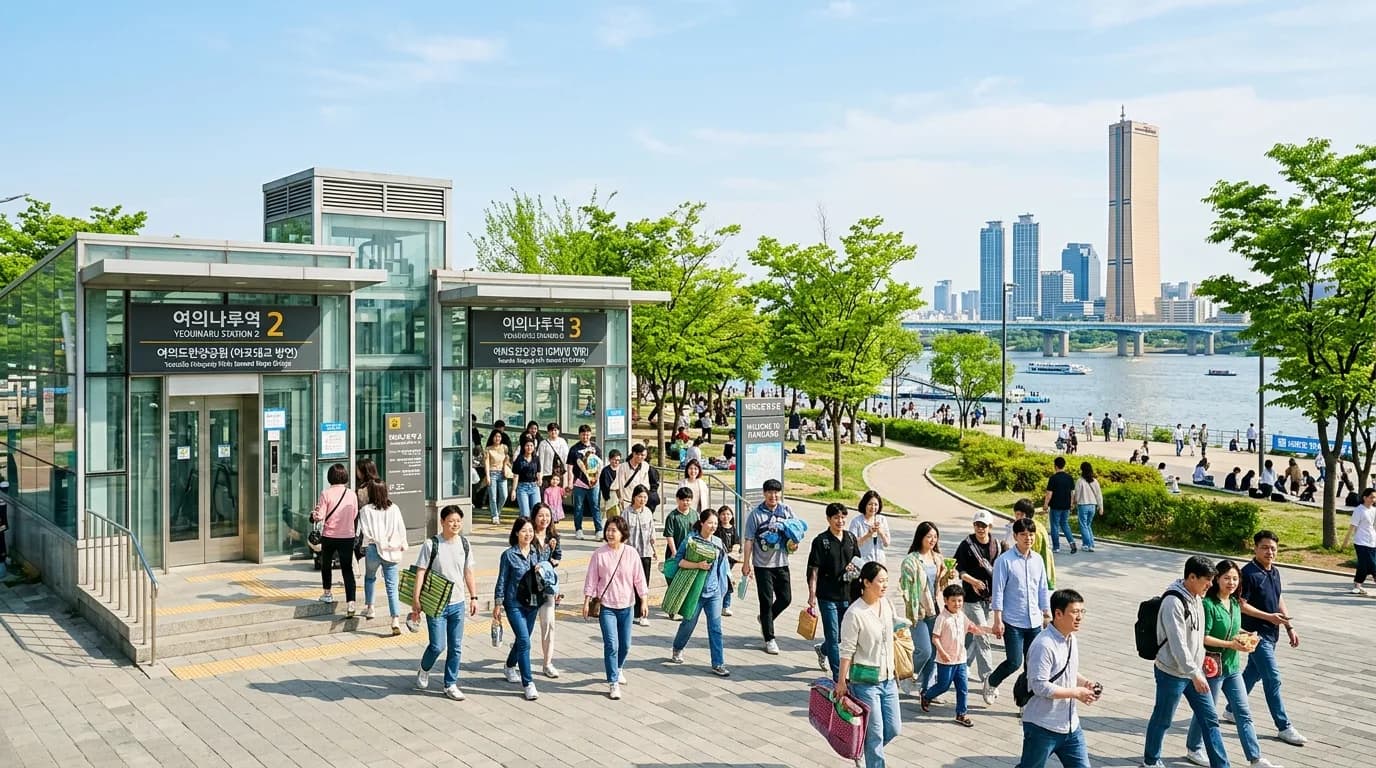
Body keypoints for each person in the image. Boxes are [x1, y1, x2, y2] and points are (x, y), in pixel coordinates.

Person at [1185, 560, 1282, 768]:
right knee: (1206, 712)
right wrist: (1231, 644)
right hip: (1212, 668)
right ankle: (1194, 747)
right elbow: (1204, 637)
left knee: (1243, 712)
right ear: (1217, 579)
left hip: (1233, 668)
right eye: (1227, 578)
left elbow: (1234, 629)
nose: (1231, 582)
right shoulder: (1208, 605)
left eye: (1235, 579)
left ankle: (1255, 758)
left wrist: (1248, 635)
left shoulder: (1235, 603)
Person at [1143, 555, 1231, 768]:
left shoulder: (1197, 597)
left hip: (1195, 672)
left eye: (1212, 580)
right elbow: (1177, 644)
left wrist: (1200, 665)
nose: (1210, 585)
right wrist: (1195, 673)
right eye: (1206, 580)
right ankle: (1151, 760)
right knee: (1163, 719)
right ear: (1191, 577)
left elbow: (1197, 637)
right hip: (1171, 673)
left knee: (1210, 720)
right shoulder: (1173, 601)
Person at [1233, 531, 1307, 746]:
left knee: (1252, 673)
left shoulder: (1274, 572)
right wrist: (1269, 617)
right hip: (1254, 635)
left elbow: (1278, 598)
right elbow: (1241, 604)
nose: (1270, 552)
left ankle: (1231, 709)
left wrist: (1288, 626)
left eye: (1273, 548)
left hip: (1271, 633)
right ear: (1255, 548)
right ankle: (1283, 726)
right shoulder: (1247, 574)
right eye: (1265, 547)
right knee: (1272, 678)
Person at [1018, 588, 1099, 768]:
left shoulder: (1070, 638)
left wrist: (1085, 683)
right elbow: (1040, 686)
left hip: (1071, 726)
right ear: (1058, 614)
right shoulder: (1043, 645)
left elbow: (1068, 670)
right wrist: (1076, 693)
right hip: (1042, 727)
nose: (1079, 617)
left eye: (1081, 612)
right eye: (1074, 612)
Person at [835, 562, 901, 768]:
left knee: (893, 728)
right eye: (880, 581)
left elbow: (890, 634)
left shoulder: (887, 605)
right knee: (876, 735)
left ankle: (864, 750)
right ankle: (873, 760)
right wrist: (841, 682)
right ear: (866, 582)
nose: (884, 585)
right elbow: (846, 650)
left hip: (889, 680)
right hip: (865, 682)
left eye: (886, 581)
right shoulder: (855, 613)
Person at [411, 505, 478, 701]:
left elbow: (468, 572)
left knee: (456, 646)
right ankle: (424, 668)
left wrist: (474, 597)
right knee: (437, 645)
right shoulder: (431, 544)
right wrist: (416, 599)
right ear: (442, 522)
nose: (455, 524)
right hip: (436, 603)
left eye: (458, 521)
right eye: (451, 521)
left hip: (458, 602)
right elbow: (421, 571)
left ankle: (450, 684)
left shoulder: (464, 544)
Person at [583, 516, 649, 700]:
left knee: (625, 645)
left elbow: (639, 579)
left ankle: (618, 668)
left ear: (622, 533)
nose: (610, 533)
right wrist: (586, 601)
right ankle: (613, 681)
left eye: (614, 530)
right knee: (612, 644)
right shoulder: (599, 554)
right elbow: (591, 579)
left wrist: (644, 600)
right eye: (608, 530)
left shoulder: (631, 553)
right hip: (607, 607)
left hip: (627, 605)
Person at [986, 518, 1051, 703]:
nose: (1028, 538)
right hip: (1012, 620)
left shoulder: (1037, 560)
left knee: (1032, 665)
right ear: (1015, 536)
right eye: (1023, 535)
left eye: (1031, 534)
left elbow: (1042, 588)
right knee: (1014, 662)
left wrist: (1046, 613)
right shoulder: (1004, 561)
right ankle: (991, 681)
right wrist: (997, 619)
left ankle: (1024, 702)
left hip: (1034, 621)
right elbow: (997, 591)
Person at [669, 509, 732, 677]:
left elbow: (723, 566)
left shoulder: (718, 542)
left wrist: (727, 583)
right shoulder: (690, 540)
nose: (713, 526)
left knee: (716, 628)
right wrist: (697, 565)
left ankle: (718, 663)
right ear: (702, 523)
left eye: (716, 524)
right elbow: (679, 561)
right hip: (695, 591)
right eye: (710, 523)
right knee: (688, 623)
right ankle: (678, 647)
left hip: (714, 592)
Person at [922, 583, 992, 726]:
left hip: (960, 659)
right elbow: (935, 638)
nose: (957, 604)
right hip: (945, 661)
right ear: (946, 600)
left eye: (960, 600)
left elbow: (973, 628)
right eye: (953, 600)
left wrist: (991, 630)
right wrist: (943, 653)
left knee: (963, 688)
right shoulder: (942, 618)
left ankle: (961, 714)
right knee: (943, 686)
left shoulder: (962, 616)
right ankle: (927, 696)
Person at [742, 478, 798, 655]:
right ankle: (769, 638)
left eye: (776, 492)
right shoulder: (755, 514)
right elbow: (749, 540)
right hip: (762, 565)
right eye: (770, 492)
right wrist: (746, 563)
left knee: (786, 598)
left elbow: (796, 531)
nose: (773, 496)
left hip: (782, 562)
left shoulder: (786, 510)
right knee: (765, 601)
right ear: (764, 493)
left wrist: (794, 543)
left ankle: (766, 620)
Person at [807, 502, 860, 678]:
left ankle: (822, 650)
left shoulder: (851, 539)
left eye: (843, 517)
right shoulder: (821, 541)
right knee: (833, 635)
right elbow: (813, 570)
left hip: (848, 595)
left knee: (841, 637)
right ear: (829, 519)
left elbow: (858, 563)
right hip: (827, 596)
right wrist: (812, 595)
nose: (840, 521)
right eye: (836, 517)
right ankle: (839, 677)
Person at [492, 517, 542, 701]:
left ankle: (509, 665)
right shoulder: (508, 555)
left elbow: (545, 574)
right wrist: (498, 603)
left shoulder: (536, 552)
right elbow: (502, 580)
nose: (528, 534)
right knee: (524, 641)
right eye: (524, 531)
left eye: (530, 531)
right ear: (516, 533)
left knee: (523, 640)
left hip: (533, 603)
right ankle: (528, 683)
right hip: (514, 604)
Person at [954, 510, 1001, 701]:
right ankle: (989, 680)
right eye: (977, 525)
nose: (980, 529)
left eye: (984, 525)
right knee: (982, 635)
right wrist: (973, 581)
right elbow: (959, 570)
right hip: (971, 597)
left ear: (990, 527)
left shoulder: (997, 545)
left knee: (971, 634)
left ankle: (961, 665)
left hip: (988, 598)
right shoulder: (967, 545)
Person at [900, 521, 949, 699]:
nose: (932, 540)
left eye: (935, 537)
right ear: (920, 537)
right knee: (925, 650)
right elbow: (905, 585)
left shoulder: (938, 558)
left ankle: (926, 688)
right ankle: (907, 674)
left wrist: (947, 575)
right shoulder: (911, 560)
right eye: (929, 536)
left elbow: (941, 585)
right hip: (918, 611)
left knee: (934, 652)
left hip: (936, 610)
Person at [357, 480, 408, 634]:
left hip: (373, 549)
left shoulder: (365, 510)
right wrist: (400, 544)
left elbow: (365, 532)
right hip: (391, 551)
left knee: (370, 577)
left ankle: (370, 608)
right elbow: (401, 529)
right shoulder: (394, 508)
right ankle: (395, 619)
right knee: (392, 587)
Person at [311, 463, 359, 616]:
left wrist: (314, 515)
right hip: (347, 536)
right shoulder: (351, 494)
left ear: (330, 477)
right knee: (347, 569)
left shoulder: (326, 493)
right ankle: (351, 603)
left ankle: (327, 594)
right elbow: (354, 514)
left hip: (330, 536)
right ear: (344, 476)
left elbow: (320, 516)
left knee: (326, 565)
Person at [530, 503, 563, 679]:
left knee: (549, 624)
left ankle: (547, 663)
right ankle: (513, 661)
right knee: (525, 629)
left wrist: (550, 559)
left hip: (547, 588)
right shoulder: (527, 534)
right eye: (541, 515)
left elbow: (558, 557)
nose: (544, 519)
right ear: (534, 516)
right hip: (528, 588)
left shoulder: (553, 536)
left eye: (547, 515)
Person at [623, 484, 657, 626]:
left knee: (643, 583)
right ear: (634, 497)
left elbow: (652, 531)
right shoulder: (626, 512)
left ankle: (642, 614)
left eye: (645, 497)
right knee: (630, 583)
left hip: (645, 552)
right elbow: (622, 532)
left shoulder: (648, 512)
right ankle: (631, 611)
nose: (642, 500)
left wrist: (654, 549)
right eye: (640, 497)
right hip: (630, 553)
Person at [1003, 498, 1056, 589]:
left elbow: (1031, 553)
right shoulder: (1032, 526)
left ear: (1028, 515)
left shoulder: (1034, 530)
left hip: (1036, 574)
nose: (1018, 518)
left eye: (1021, 515)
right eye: (1017, 514)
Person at [566, 425, 603, 540]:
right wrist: (570, 482)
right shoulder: (574, 449)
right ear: (579, 435)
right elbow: (570, 467)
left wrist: (596, 479)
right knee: (578, 507)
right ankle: (578, 529)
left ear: (590, 435)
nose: (585, 436)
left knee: (595, 506)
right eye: (583, 434)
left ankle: (599, 530)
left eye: (587, 434)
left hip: (594, 482)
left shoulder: (596, 448)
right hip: (579, 483)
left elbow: (599, 465)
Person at [1342, 487, 1376, 595]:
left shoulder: (1374, 510)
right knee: (1373, 565)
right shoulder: (1359, 510)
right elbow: (1352, 527)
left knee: (1363, 565)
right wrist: (1345, 542)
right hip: (1361, 542)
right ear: (1365, 498)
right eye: (1371, 497)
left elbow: (1374, 526)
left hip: (1372, 541)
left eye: (1374, 498)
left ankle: (1357, 585)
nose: (1373, 500)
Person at [1044, 456, 1078, 554]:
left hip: (1055, 506)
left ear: (1055, 466)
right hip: (1066, 506)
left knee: (1054, 526)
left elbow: (1049, 493)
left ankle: (1056, 547)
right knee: (1065, 524)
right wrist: (1071, 503)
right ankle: (1072, 543)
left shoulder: (1053, 478)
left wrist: (1046, 504)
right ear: (1064, 465)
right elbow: (1072, 493)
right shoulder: (1069, 478)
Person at [849, 490, 891, 568]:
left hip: (879, 562)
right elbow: (852, 544)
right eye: (870, 504)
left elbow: (887, 543)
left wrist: (880, 532)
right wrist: (868, 535)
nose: (873, 507)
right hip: (863, 562)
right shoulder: (856, 521)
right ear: (864, 504)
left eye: (876, 504)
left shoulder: (882, 520)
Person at [1072, 461, 1102, 553]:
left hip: (1083, 505)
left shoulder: (1080, 481)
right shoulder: (1095, 481)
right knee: (1088, 525)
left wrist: (1074, 502)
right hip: (1093, 506)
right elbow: (1099, 495)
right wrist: (1101, 507)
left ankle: (1087, 544)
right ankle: (1091, 544)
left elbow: (1077, 494)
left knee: (1083, 525)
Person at [716, 504, 740, 617]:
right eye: (723, 514)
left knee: (728, 584)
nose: (726, 516)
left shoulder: (733, 528)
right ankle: (716, 605)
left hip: (730, 561)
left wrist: (735, 549)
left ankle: (725, 606)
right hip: (719, 560)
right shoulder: (716, 529)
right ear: (719, 516)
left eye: (728, 514)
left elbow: (737, 542)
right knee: (719, 583)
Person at [482, 431, 511, 525]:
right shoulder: (488, 449)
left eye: (499, 436)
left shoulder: (504, 447)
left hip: (502, 473)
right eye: (495, 436)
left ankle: (497, 512)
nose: (497, 438)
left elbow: (507, 459)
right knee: (493, 497)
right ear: (492, 437)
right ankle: (495, 515)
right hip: (492, 473)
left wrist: (506, 465)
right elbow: (486, 463)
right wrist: (487, 476)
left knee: (504, 495)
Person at [511, 438, 542, 519]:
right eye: (527, 445)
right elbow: (516, 475)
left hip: (534, 487)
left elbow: (538, 471)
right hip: (522, 487)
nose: (529, 447)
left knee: (536, 511)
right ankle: (522, 528)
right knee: (525, 513)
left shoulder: (536, 458)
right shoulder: (519, 459)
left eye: (531, 446)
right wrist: (513, 490)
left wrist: (540, 480)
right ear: (524, 447)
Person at [598, 448, 623, 519]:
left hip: (620, 496)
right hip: (609, 496)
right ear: (610, 459)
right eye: (614, 459)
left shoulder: (621, 469)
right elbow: (603, 485)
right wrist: (606, 497)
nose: (616, 462)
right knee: (607, 516)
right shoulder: (605, 471)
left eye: (618, 460)